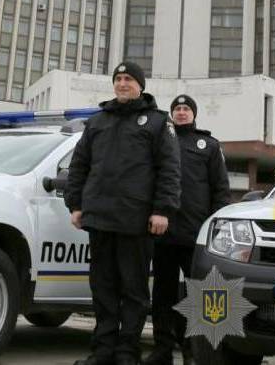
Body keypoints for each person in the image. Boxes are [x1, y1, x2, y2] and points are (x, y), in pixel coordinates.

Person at [65, 61, 181, 365]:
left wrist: (162, 210)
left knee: (133, 291)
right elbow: (79, 166)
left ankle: (127, 351)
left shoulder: (157, 122)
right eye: (118, 78)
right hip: (100, 219)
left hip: (136, 221)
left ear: (140, 85)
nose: (122, 83)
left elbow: (169, 170)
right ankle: (102, 351)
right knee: (103, 289)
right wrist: (75, 205)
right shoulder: (97, 121)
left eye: (129, 78)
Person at [144, 95, 230, 365]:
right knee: (162, 296)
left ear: (194, 114)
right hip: (164, 233)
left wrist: (216, 230)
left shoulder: (209, 145)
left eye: (186, 109)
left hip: (197, 236)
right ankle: (162, 350)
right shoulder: (160, 141)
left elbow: (221, 191)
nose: (181, 113)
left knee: (200, 297)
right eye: (177, 109)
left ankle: (195, 352)